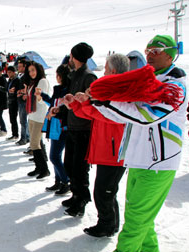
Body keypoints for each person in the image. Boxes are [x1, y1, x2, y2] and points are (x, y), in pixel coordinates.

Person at [88, 35, 187, 252]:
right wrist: (99, 103)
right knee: (142, 214)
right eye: (148, 49)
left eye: (157, 49)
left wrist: (108, 101)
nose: (150, 53)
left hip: (159, 162)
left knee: (137, 214)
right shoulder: (148, 81)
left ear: (171, 53)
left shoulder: (175, 85)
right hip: (139, 158)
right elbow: (125, 114)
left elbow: (148, 115)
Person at [68, 53, 129, 237]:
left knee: (104, 192)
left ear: (113, 70)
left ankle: (107, 225)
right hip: (105, 149)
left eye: (105, 68)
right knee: (106, 190)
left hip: (114, 151)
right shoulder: (110, 90)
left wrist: (86, 103)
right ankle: (111, 224)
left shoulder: (122, 92)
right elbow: (93, 114)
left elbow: (107, 115)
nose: (103, 71)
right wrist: (77, 105)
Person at [62, 42, 97, 217]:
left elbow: (91, 103)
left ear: (74, 56)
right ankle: (75, 194)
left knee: (79, 168)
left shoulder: (89, 77)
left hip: (84, 129)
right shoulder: (75, 75)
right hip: (73, 126)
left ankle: (81, 200)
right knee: (69, 164)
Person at [41, 64, 71, 194]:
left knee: (54, 156)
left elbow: (61, 109)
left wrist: (55, 111)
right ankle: (58, 181)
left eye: (58, 75)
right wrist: (42, 95)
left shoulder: (68, 92)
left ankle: (66, 181)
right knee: (55, 155)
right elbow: (52, 103)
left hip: (62, 127)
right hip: (54, 126)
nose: (57, 77)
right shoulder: (58, 89)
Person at [25, 61, 51, 179]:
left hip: (39, 116)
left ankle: (44, 169)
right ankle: (38, 167)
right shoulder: (33, 82)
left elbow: (43, 100)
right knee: (36, 143)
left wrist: (39, 97)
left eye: (33, 70)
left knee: (34, 143)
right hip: (32, 116)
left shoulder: (42, 81)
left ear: (38, 70)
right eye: (29, 71)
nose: (31, 73)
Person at [16, 59, 30, 145]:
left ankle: (24, 138)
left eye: (20, 66)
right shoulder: (20, 76)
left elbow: (27, 89)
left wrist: (21, 92)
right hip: (20, 100)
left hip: (24, 101)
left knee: (23, 120)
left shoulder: (27, 77)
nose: (18, 68)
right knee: (23, 120)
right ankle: (26, 137)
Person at [5, 66, 20, 140]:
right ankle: (14, 133)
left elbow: (19, 89)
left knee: (14, 118)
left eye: (10, 72)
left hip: (15, 101)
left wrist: (14, 91)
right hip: (10, 100)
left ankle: (16, 134)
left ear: (14, 72)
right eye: (8, 72)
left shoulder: (17, 80)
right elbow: (6, 88)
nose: (8, 74)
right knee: (11, 119)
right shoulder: (9, 80)